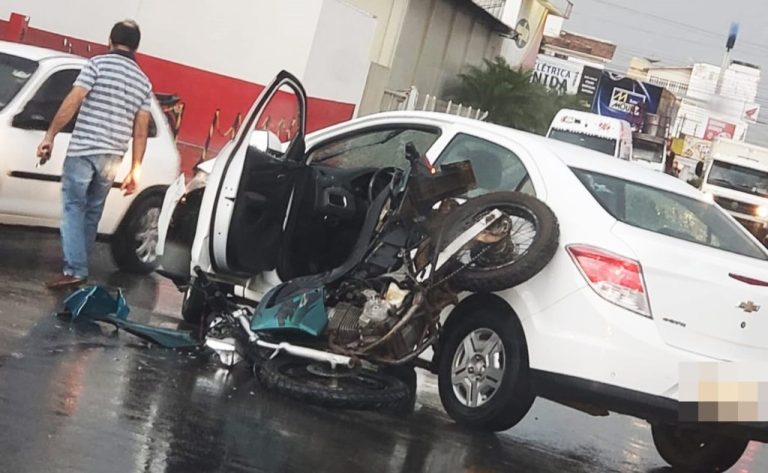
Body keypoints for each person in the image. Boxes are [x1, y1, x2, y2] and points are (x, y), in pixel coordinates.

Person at [37, 20, 153, 289]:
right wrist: (135, 169)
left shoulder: (97, 64)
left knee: (73, 208)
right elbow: (141, 130)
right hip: (113, 157)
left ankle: (75, 268)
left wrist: (50, 135)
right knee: (91, 212)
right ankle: (77, 265)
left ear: (109, 40)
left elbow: (74, 100)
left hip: (85, 149)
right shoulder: (143, 82)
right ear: (136, 46)